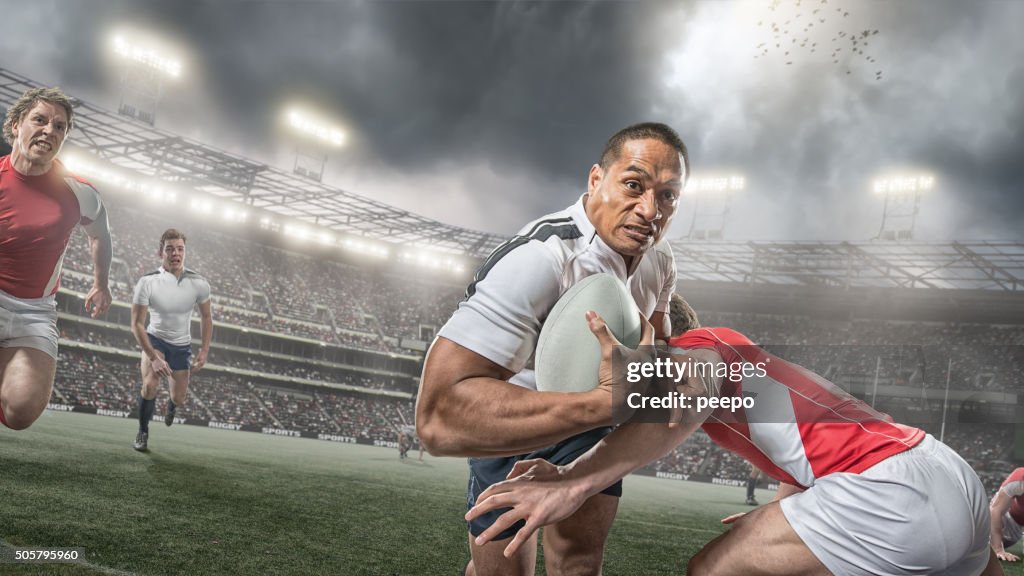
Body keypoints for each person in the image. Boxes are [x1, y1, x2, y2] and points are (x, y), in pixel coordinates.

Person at [467, 300, 1003, 576]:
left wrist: (573, 480)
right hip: (949, 475)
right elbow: (806, 445)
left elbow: (692, 386)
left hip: (887, 496)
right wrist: (793, 512)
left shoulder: (697, 348)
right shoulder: (752, 370)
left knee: (710, 571)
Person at [416, 122, 687, 576]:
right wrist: (603, 404)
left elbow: (655, 342)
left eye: (668, 196)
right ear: (596, 179)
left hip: (592, 428)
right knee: (501, 573)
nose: (649, 210)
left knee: (580, 564)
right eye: (634, 184)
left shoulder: (661, 261)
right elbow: (438, 417)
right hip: (516, 426)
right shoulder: (539, 259)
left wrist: (654, 372)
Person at [0, 87, 112, 431]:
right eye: (40, 120)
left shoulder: (78, 192)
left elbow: (101, 235)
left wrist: (101, 284)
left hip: (35, 311)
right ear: (17, 125)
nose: (50, 130)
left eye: (60, 126)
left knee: (21, 412)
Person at [130, 229, 212, 451]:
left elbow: (206, 317)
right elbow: (137, 324)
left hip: (182, 346)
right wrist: (152, 356)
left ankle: (172, 406)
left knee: (179, 397)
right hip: (156, 340)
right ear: (161, 252)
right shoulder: (147, 282)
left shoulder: (199, 283)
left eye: (180, 249)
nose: (175, 253)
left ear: (185, 252)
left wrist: (204, 351)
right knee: (150, 385)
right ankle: (143, 431)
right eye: (170, 249)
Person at [990, 467, 1024, 562]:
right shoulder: (1019, 479)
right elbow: (996, 510)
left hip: (1016, 530)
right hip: (1008, 521)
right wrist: (998, 549)